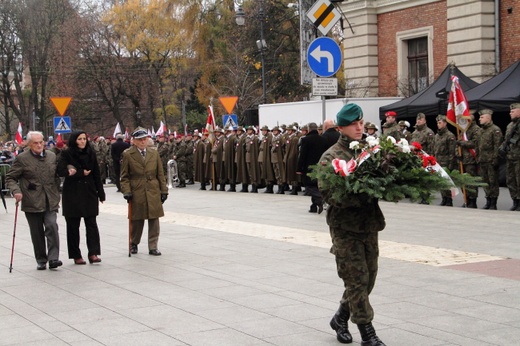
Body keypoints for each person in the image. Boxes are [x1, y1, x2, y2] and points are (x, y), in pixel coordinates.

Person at [317, 104, 386, 346]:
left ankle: (340, 317)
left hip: (369, 225)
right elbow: (329, 194)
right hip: (345, 228)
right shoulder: (331, 157)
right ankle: (368, 334)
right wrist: (361, 194)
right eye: (353, 124)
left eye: (361, 123)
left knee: (369, 279)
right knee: (356, 279)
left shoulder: (369, 150)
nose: (359, 127)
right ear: (341, 128)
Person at [5, 131, 63, 270]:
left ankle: (53, 258)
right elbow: (10, 178)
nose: (39, 145)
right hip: (32, 200)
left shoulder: (51, 156)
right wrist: (16, 191)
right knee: (36, 232)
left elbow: (57, 174)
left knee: (52, 226)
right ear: (29, 144)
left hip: (50, 198)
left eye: (41, 142)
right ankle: (41, 259)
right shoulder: (22, 158)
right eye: (35, 143)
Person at [57, 130, 105, 265]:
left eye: (84, 138)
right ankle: (76, 254)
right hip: (72, 192)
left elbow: (96, 173)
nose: (82, 141)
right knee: (73, 225)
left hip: (89, 191)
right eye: (79, 139)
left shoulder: (91, 153)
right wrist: (79, 173)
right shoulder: (66, 153)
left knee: (91, 223)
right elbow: (60, 171)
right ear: (74, 140)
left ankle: (93, 252)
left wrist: (100, 193)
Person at [120, 127, 168, 256]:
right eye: (140, 140)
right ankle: (134, 242)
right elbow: (124, 176)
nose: (142, 142)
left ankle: (153, 246)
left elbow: (160, 173)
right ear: (134, 141)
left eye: (144, 139)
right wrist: (127, 191)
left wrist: (164, 190)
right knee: (137, 219)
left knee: (154, 219)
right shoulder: (128, 154)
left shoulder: (154, 153)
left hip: (153, 188)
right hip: (137, 188)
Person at [297, 122, 329, 213]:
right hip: (321, 166)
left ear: (309, 129)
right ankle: (314, 206)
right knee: (316, 185)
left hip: (309, 167)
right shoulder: (324, 139)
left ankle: (319, 199)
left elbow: (302, 155)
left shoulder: (306, 140)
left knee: (309, 186)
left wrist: (299, 168)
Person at [477, 109, 503, 210]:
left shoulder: (495, 130)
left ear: (488, 118)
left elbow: (497, 146)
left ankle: (493, 202)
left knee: (493, 182)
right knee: (485, 181)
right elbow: (477, 146)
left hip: (491, 160)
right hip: (482, 160)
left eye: (482, 117)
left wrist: (495, 159)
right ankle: (488, 199)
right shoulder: (480, 131)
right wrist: (478, 157)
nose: (480, 119)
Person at [456, 114, 481, 208]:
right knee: (463, 181)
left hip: (471, 159)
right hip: (463, 160)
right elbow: (457, 144)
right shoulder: (463, 130)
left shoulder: (476, 129)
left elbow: (474, 143)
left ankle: (473, 201)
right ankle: (466, 199)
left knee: (471, 181)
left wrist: (462, 143)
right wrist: (458, 153)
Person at [500, 103, 520, 211]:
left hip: (518, 157)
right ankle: (515, 201)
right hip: (510, 157)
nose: (510, 113)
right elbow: (506, 140)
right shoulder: (510, 125)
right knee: (510, 181)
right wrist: (502, 147)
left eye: (513, 111)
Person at [433, 115, 456, 206]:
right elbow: (434, 149)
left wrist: (451, 164)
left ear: (445, 124)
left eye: (440, 123)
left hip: (446, 161)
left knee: (447, 181)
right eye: (437, 123)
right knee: (441, 181)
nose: (438, 125)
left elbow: (452, 152)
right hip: (438, 162)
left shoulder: (450, 136)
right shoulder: (437, 136)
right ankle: (444, 198)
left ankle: (449, 199)